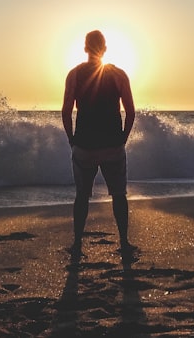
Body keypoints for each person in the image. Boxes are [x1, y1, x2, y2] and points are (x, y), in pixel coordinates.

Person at [62, 30, 136, 256]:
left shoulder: (74, 75)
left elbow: (66, 112)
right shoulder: (119, 74)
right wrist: (122, 138)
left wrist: (72, 140)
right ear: (104, 48)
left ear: (85, 48)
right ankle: (123, 243)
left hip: (85, 145)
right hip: (113, 145)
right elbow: (131, 112)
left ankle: (77, 245)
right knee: (119, 195)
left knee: (82, 196)